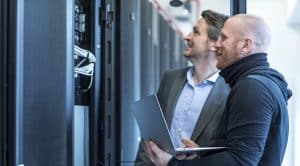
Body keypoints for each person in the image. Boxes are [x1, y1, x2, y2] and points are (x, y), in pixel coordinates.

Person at [144, 14, 293, 166]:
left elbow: (239, 162)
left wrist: (170, 163)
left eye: (224, 38)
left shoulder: (252, 88)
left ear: (245, 46)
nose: (216, 45)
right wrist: (203, 155)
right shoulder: (263, 83)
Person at [135, 10, 229, 165]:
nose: (186, 37)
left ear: (214, 43)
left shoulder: (229, 91)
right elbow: (150, 135)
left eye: (196, 32)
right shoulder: (171, 78)